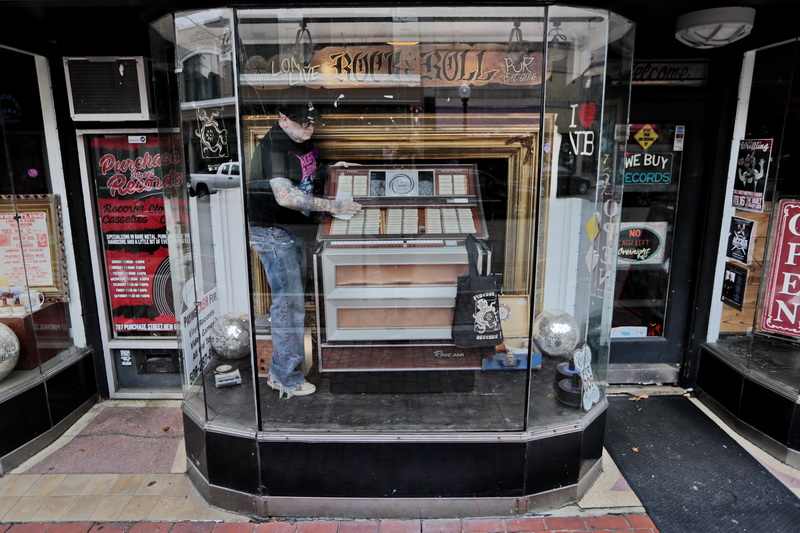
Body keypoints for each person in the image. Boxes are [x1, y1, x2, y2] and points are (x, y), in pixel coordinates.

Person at [248, 100, 361, 398]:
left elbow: (304, 172)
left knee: (294, 302)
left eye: (313, 122)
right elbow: (286, 196)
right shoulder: (274, 147)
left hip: (293, 230)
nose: (310, 127)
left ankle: (284, 369)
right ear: (283, 120)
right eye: (303, 122)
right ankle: (285, 376)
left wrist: (329, 169)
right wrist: (333, 206)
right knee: (289, 304)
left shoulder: (300, 139)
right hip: (275, 232)